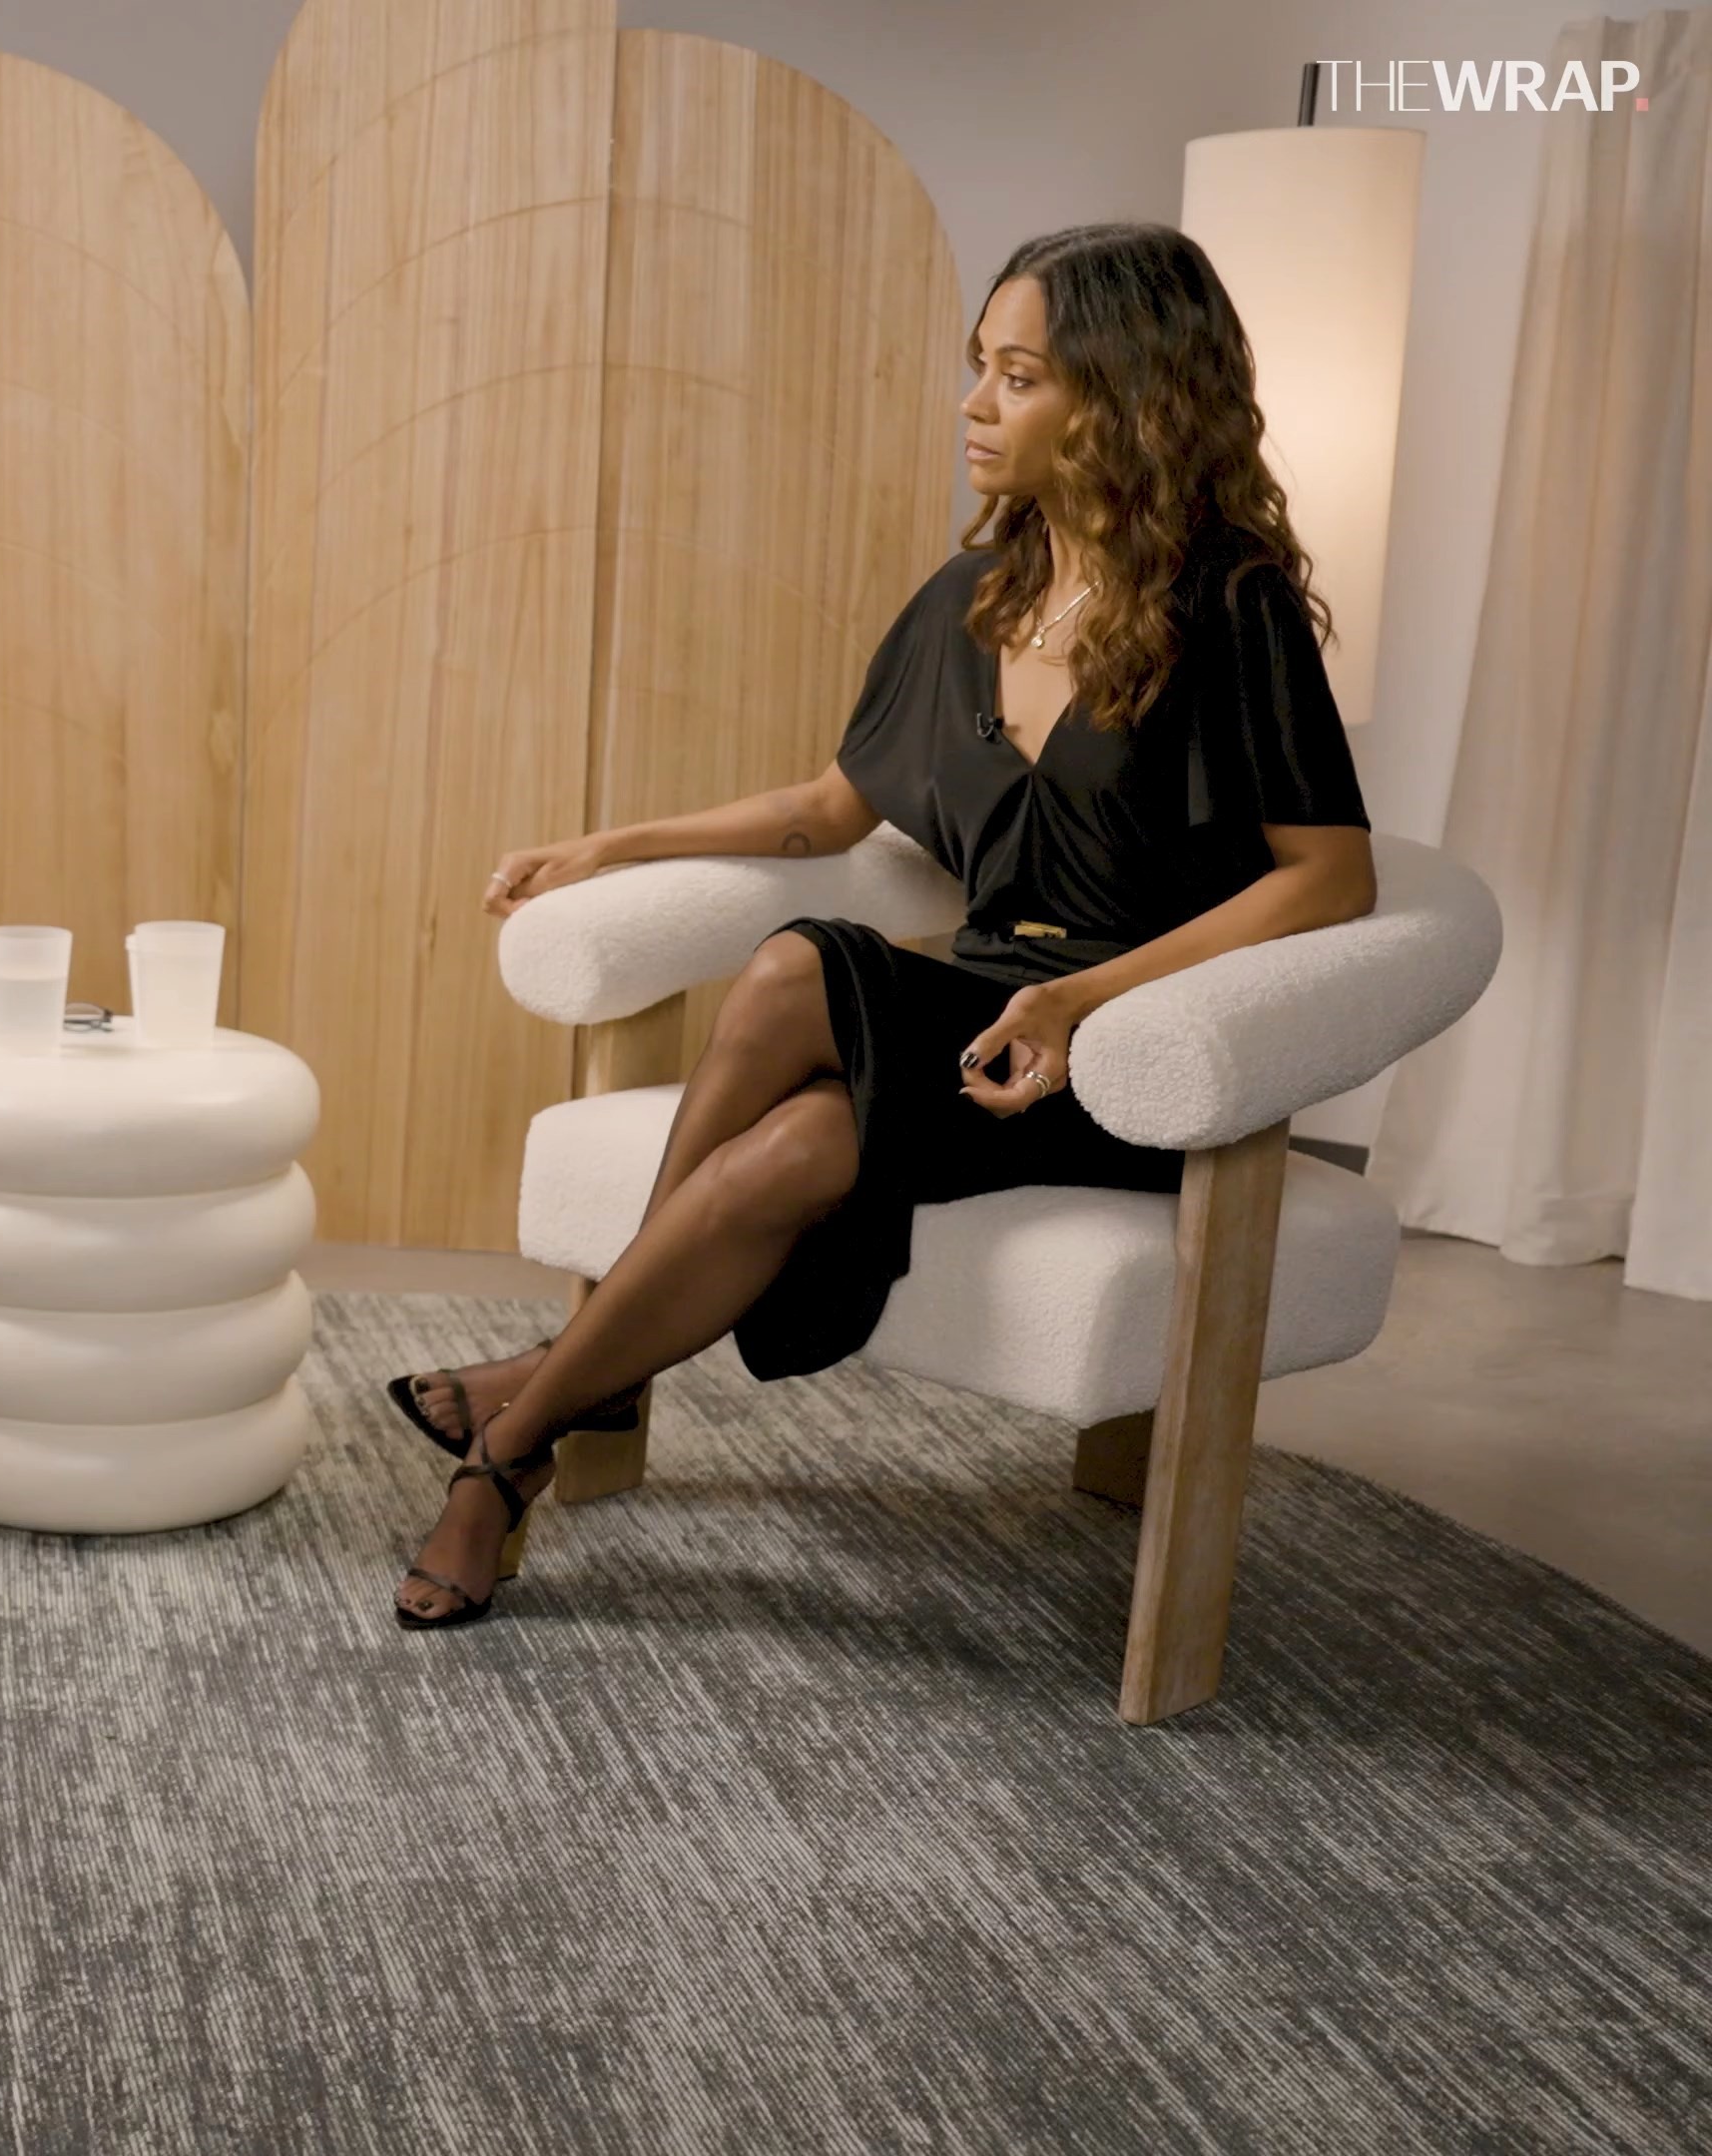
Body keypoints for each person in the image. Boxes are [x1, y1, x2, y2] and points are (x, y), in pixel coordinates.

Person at [385, 223, 1380, 1629]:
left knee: (805, 982)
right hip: (982, 1012)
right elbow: (828, 809)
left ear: (1126, 397)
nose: (975, 405)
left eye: (1019, 377)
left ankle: (517, 1437)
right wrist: (613, 842)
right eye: (980, 367)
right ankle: (550, 1415)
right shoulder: (972, 599)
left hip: (1132, 1053)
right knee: (798, 1045)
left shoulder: (1231, 606)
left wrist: (1084, 1003)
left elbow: (1329, 880)